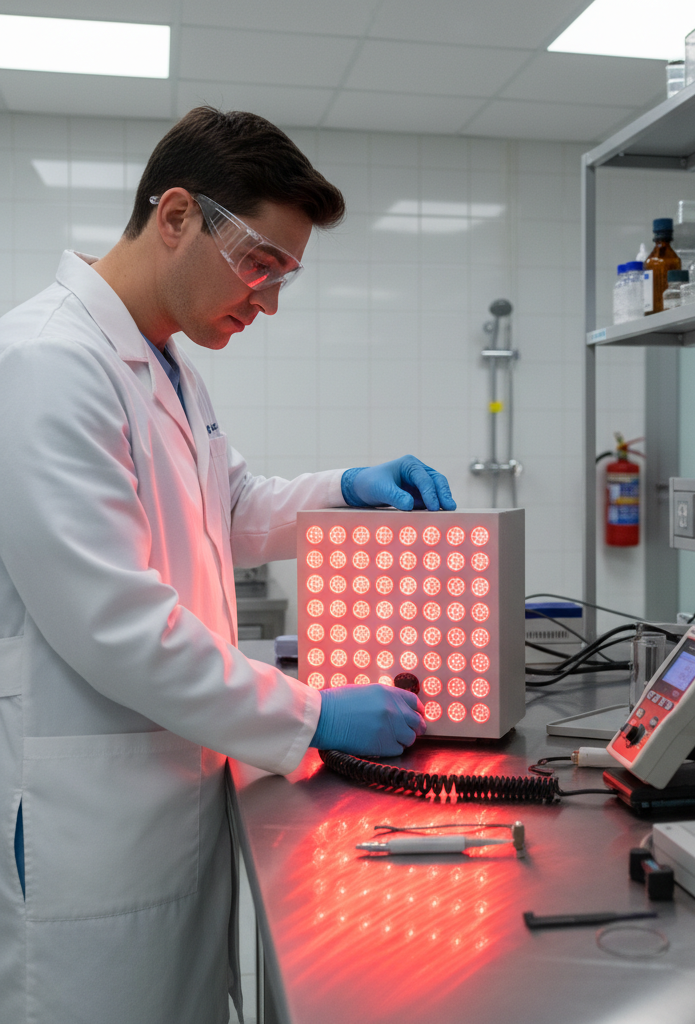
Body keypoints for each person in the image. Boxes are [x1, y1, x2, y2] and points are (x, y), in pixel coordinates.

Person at [0, 106, 454, 1023]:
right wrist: (315, 711)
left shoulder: (166, 364)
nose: (269, 301)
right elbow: (117, 626)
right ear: (175, 217)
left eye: (284, 276)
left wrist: (347, 488)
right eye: (259, 264)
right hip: (95, 819)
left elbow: (231, 507)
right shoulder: (48, 362)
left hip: (171, 792)